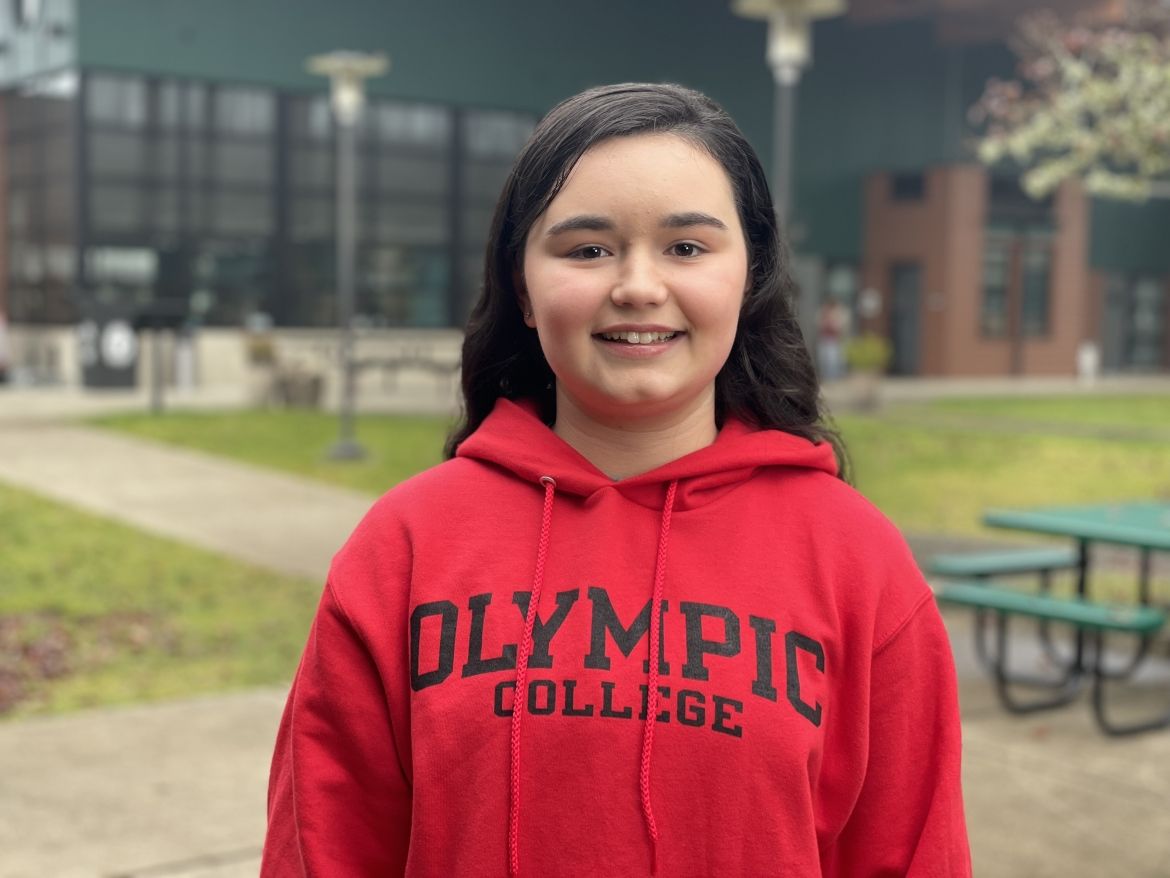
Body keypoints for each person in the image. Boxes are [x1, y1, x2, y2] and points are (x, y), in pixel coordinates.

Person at [261, 83, 970, 877]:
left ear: (751, 274)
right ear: (523, 290)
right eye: (587, 249)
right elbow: (321, 849)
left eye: (687, 247)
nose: (638, 286)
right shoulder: (404, 549)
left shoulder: (859, 563)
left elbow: (914, 857)